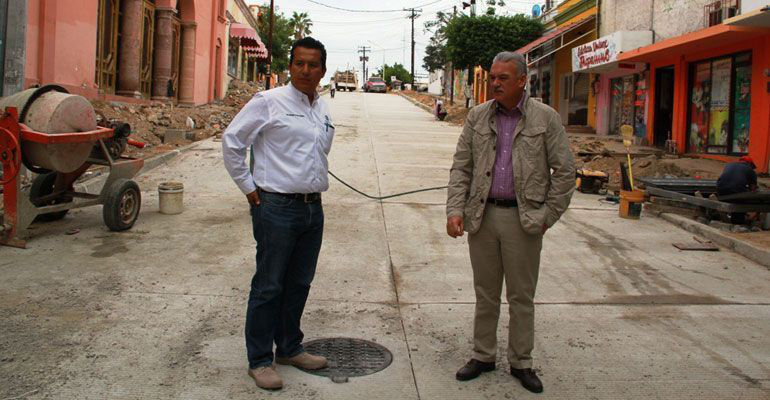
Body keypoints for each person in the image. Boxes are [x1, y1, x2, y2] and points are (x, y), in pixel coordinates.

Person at [446, 51, 575, 394]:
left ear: (522, 81)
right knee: (485, 293)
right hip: (483, 216)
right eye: (493, 77)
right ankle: (483, 355)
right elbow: (461, 168)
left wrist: (547, 216)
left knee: (521, 296)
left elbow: (565, 173)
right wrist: (454, 210)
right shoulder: (477, 117)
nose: (495, 83)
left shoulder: (545, 119)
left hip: (524, 220)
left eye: (503, 78)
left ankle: (522, 362)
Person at [222, 37, 335, 391]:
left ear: (323, 70)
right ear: (290, 66)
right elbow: (232, 141)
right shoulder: (268, 102)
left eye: (312, 64)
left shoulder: (321, 109)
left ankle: (289, 347)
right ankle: (259, 359)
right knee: (269, 284)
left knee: (299, 282)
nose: (305, 70)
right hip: (276, 208)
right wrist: (250, 189)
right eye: (299, 63)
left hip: (312, 208)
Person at [716, 156, 759, 224]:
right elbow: (753, 189)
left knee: (738, 194)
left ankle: (735, 220)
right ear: (750, 164)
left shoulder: (729, 165)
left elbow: (723, 178)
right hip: (736, 193)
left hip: (720, 191)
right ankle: (738, 223)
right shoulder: (750, 170)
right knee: (743, 198)